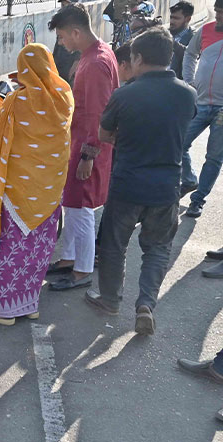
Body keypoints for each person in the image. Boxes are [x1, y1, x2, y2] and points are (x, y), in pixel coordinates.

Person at [84, 28, 196, 335]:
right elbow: (182, 131)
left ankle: (109, 299)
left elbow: (105, 134)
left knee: (113, 244)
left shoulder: (125, 94)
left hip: (127, 184)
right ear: (170, 57)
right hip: (166, 187)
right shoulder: (188, 94)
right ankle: (146, 303)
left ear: (137, 58)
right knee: (158, 248)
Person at [0, 44, 74, 326]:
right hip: (49, 191)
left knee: (10, 249)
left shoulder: (20, 101)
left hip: (18, 193)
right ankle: (28, 304)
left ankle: (2, 310)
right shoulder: (65, 97)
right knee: (37, 250)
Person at [45, 3, 119, 291]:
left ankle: (82, 270)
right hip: (83, 142)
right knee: (73, 204)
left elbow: (98, 114)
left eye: (63, 37)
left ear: (76, 32)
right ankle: (69, 259)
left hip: (89, 145)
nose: (62, 43)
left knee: (81, 207)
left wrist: (88, 154)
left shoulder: (96, 63)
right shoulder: (96, 55)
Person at [181, 0, 223, 216]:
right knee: (179, 143)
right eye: (217, 12)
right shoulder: (206, 30)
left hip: (222, 109)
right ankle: (189, 180)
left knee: (214, 157)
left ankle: (197, 200)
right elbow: (190, 54)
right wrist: (189, 82)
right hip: (201, 101)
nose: (219, 17)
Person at [54, 0, 81, 84]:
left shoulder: (78, 22)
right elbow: (57, 45)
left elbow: (79, 48)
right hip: (59, 65)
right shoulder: (61, 21)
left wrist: (75, 66)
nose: (63, 8)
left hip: (69, 67)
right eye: (62, 5)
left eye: (66, 5)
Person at [170, 1, 195, 79]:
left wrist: (171, 42)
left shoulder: (194, 39)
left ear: (188, 19)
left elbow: (190, 57)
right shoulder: (164, 34)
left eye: (176, 18)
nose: (171, 22)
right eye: (171, 17)